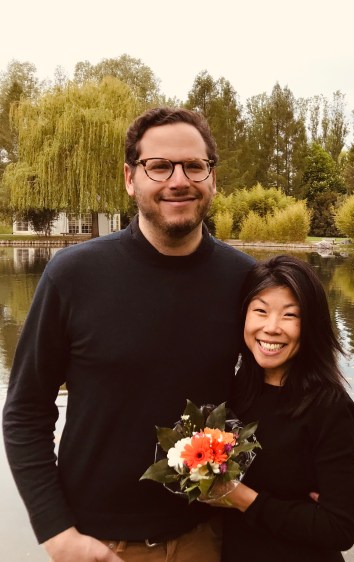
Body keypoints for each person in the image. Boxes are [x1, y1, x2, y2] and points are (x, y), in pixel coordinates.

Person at [2, 107, 256, 562]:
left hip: (208, 538)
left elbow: (281, 392)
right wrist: (57, 533)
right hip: (99, 544)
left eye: (194, 166)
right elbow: (25, 412)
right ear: (130, 178)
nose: (179, 180)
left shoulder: (246, 282)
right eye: (159, 166)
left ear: (213, 178)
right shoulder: (73, 275)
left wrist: (306, 486)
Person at [218, 255, 354, 561]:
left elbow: (339, 528)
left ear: (311, 325)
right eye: (260, 311)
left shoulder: (328, 407)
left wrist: (243, 499)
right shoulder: (232, 392)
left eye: (290, 315)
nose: (271, 328)